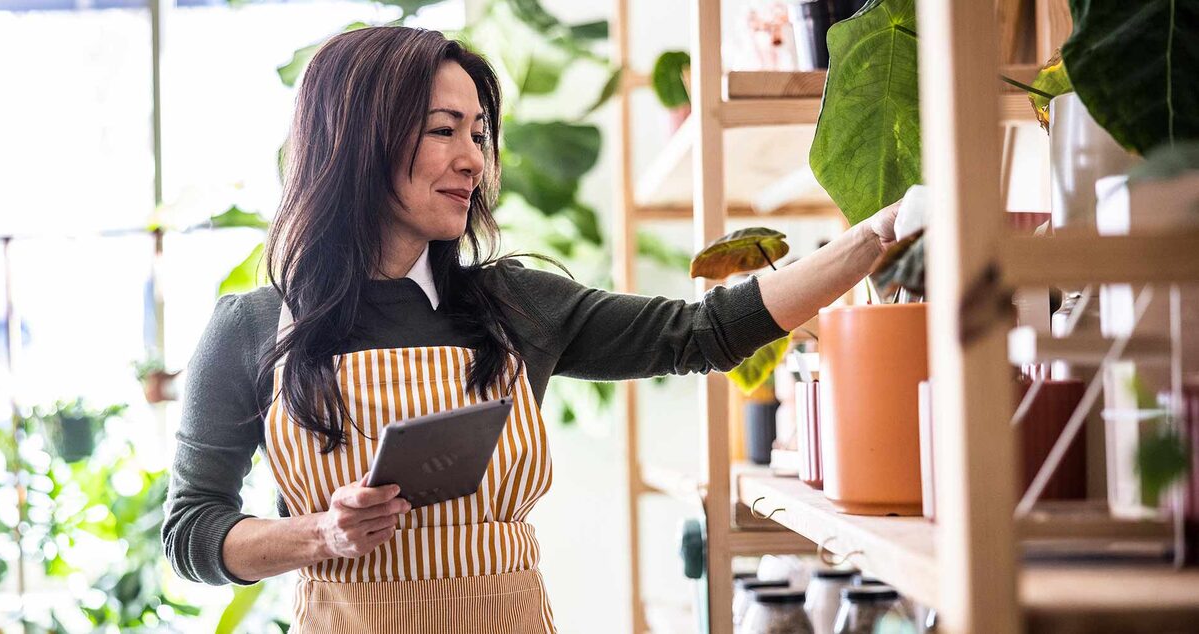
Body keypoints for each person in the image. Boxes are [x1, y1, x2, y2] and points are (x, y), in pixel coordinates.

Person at [161, 26, 897, 633]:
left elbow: (703, 331)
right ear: (357, 140)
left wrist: (877, 236)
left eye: (479, 134)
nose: (474, 160)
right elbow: (191, 532)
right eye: (443, 131)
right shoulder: (254, 328)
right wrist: (320, 534)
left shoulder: (513, 305)